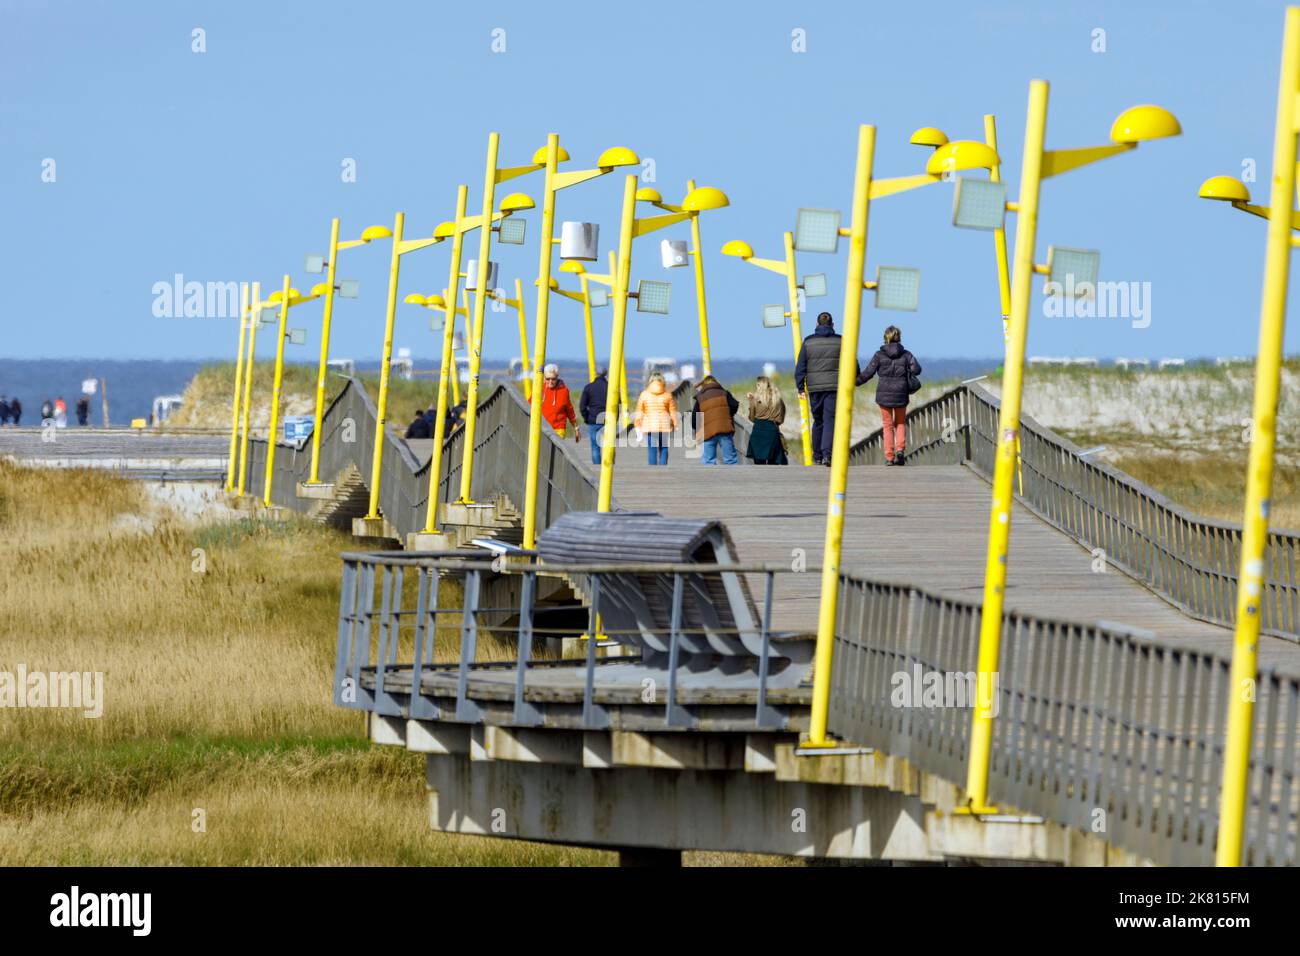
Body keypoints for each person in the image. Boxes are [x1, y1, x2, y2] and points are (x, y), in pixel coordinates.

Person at [795, 312, 857, 466]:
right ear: (832, 324)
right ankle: (828, 455)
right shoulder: (841, 341)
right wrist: (856, 378)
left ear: (817, 324)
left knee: (818, 420)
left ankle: (816, 455)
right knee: (830, 420)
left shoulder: (808, 342)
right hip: (834, 387)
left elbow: (800, 367)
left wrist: (800, 387)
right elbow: (852, 363)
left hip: (814, 388)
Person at [857, 325, 922, 466]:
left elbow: (868, 373)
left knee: (887, 426)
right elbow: (917, 370)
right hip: (901, 393)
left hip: (884, 395)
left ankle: (889, 457)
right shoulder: (907, 354)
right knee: (900, 423)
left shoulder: (879, 355)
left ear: (885, 338)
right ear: (899, 337)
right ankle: (900, 450)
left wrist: (855, 382)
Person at [691, 374, 740, 465]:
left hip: (708, 431)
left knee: (709, 460)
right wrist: (728, 415)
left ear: (703, 385)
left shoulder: (700, 397)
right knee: (730, 460)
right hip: (725, 429)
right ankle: (733, 478)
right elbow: (735, 405)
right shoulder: (725, 393)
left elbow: (695, 417)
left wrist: (697, 429)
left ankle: (711, 478)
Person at [635, 371, 677, 465]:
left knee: (652, 449)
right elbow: (672, 412)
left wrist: (637, 425)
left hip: (650, 426)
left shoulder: (644, 394)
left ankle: (653, 469)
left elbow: (639, 411)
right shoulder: (667, 395)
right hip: (664, 426)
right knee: (664, 448)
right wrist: (674, 424)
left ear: (650, 381)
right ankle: (663, 467)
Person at [744, 376, 788, 465]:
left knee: (759, 461)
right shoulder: (778, 399)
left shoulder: (755, 399)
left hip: (758, 431)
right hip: (772, 430)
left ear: (759, 385)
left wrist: (750, 401)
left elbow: (751, 418)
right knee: (774, 461)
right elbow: (781, 419)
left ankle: (762, 478)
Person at [534, 363, 579, 442]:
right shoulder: (540, 389)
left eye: (553, 379)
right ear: (544, 378)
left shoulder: (564, 391)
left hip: (559, 429)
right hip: (542, 428)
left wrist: (576, 428)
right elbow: (529, 404)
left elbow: (570, 410)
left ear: (557, 378)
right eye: (548, 379)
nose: (550, 381)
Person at [578, 367, 609, 465]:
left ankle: (597, 468)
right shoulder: (611, 387)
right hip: (608, 420)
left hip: (593, 420)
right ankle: (608, 467)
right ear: (605, 374)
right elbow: (618, 404)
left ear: (596, 374)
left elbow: (582, 406)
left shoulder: (589, 387)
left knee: (595, 447)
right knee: (608, 446)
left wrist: (586, 417)